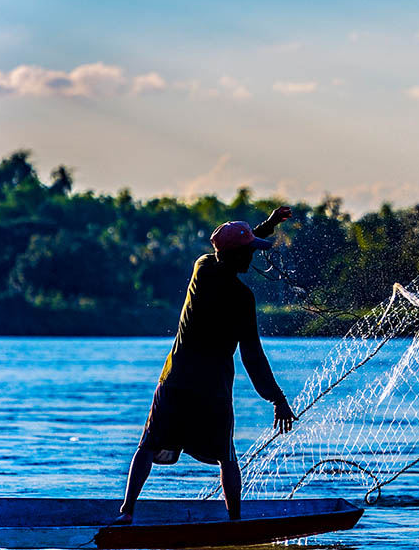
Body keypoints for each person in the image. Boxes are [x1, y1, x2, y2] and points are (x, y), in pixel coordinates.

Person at [116, 207, 297, 524]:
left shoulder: (202, 269)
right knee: (227, 458)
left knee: (148, 444)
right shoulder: (242, 298)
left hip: (176, 381)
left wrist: (265, 227)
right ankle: (235, 523)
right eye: (249, 252)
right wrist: (277, 398)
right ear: (238, 256)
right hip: (212, 390)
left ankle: (126, 512)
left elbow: (228, 248)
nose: (252, 257)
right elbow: (252, 357)